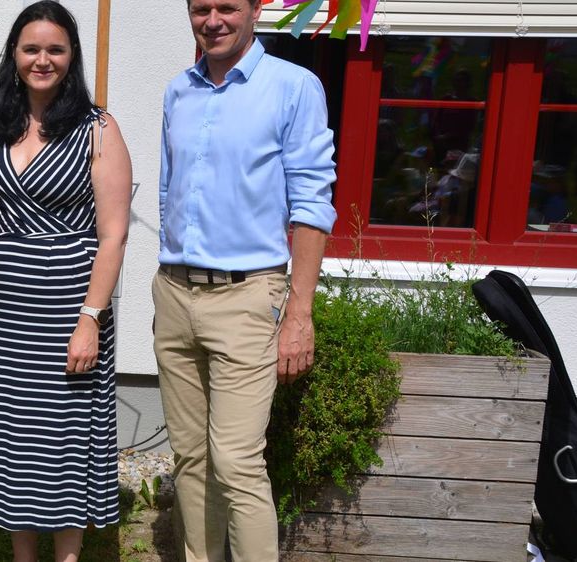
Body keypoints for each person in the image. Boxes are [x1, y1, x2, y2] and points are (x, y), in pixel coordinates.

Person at [0, 2, 131, 561]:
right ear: (15, 55)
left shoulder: (99, 128)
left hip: (67, 308)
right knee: (9, 433)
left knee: (63, 438)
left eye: (55, 49)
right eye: (31, 49)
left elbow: (115, 235)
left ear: (71, 56)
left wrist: (90, 320)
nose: (42, 59)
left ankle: (67, 555)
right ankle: (24, 554)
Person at [154, 0, 337, 560]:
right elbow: (169, 192)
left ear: (257, 9)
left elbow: (312, 202)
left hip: (248, 296)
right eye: (201, 8)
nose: (213, 20)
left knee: (236, 461)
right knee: (189, 457)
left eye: (228, 7)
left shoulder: (294, 87)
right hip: (175, 290)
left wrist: (298, 313)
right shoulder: (177, 92)